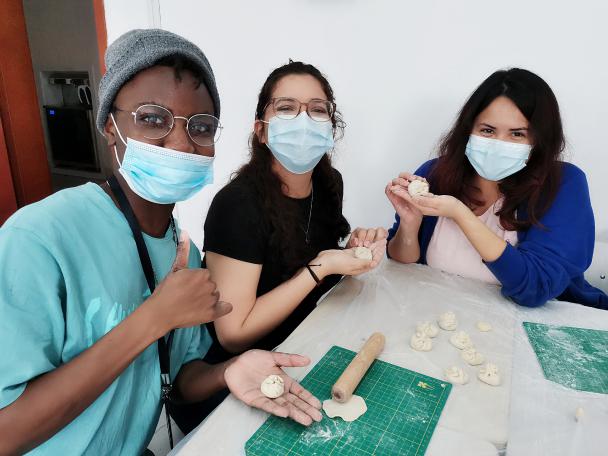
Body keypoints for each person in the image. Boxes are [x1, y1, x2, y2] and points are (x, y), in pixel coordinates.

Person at [0, 30, 322, 456]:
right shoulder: (40, 238)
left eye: (201, 127)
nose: (181, 143)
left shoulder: (181, 253)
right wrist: (154, 318)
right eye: (153, 119)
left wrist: (229, 371)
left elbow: (178, 379)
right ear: (110, 127)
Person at [169, 61, 387, 433]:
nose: (303, 121)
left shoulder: (328, 183)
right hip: (234, 375)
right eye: (286, 108)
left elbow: (310, 264)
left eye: (317, 110)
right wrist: (322, 267)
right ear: (262, 131)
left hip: (299, 347)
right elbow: (233, 333)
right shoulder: (238, 205)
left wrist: (350, 253)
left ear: (331, 128)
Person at [385, 68, 607, 310]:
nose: (498, 144)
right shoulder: (435, 173)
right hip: (446, 315)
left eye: (517, 134)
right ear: (469, 129)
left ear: (539, 139)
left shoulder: (563, 183)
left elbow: (536, 288)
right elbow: (405, 263)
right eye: (488, 130)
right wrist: (409, 225)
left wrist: (460, 214)